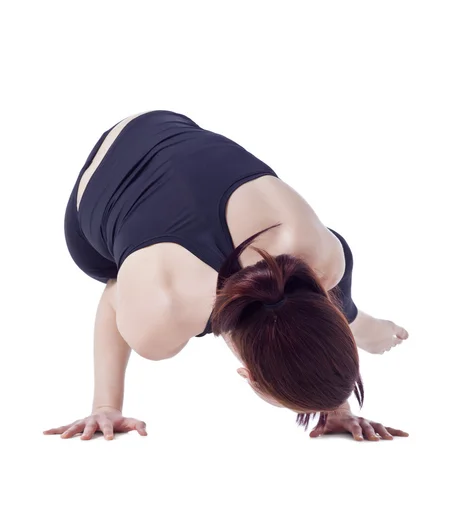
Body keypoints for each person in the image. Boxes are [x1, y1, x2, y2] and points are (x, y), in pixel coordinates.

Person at [44, 110, 409, 443]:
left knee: (327, 280)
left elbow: (315, 312)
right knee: (150, 308)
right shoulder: (165, 310)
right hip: (100, 194)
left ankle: (362, 325)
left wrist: (338, 406)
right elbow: (113, 295)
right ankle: (364, 326)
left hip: (168, 127)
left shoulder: (320, 251)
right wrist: (106, 405)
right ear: (248, 375)